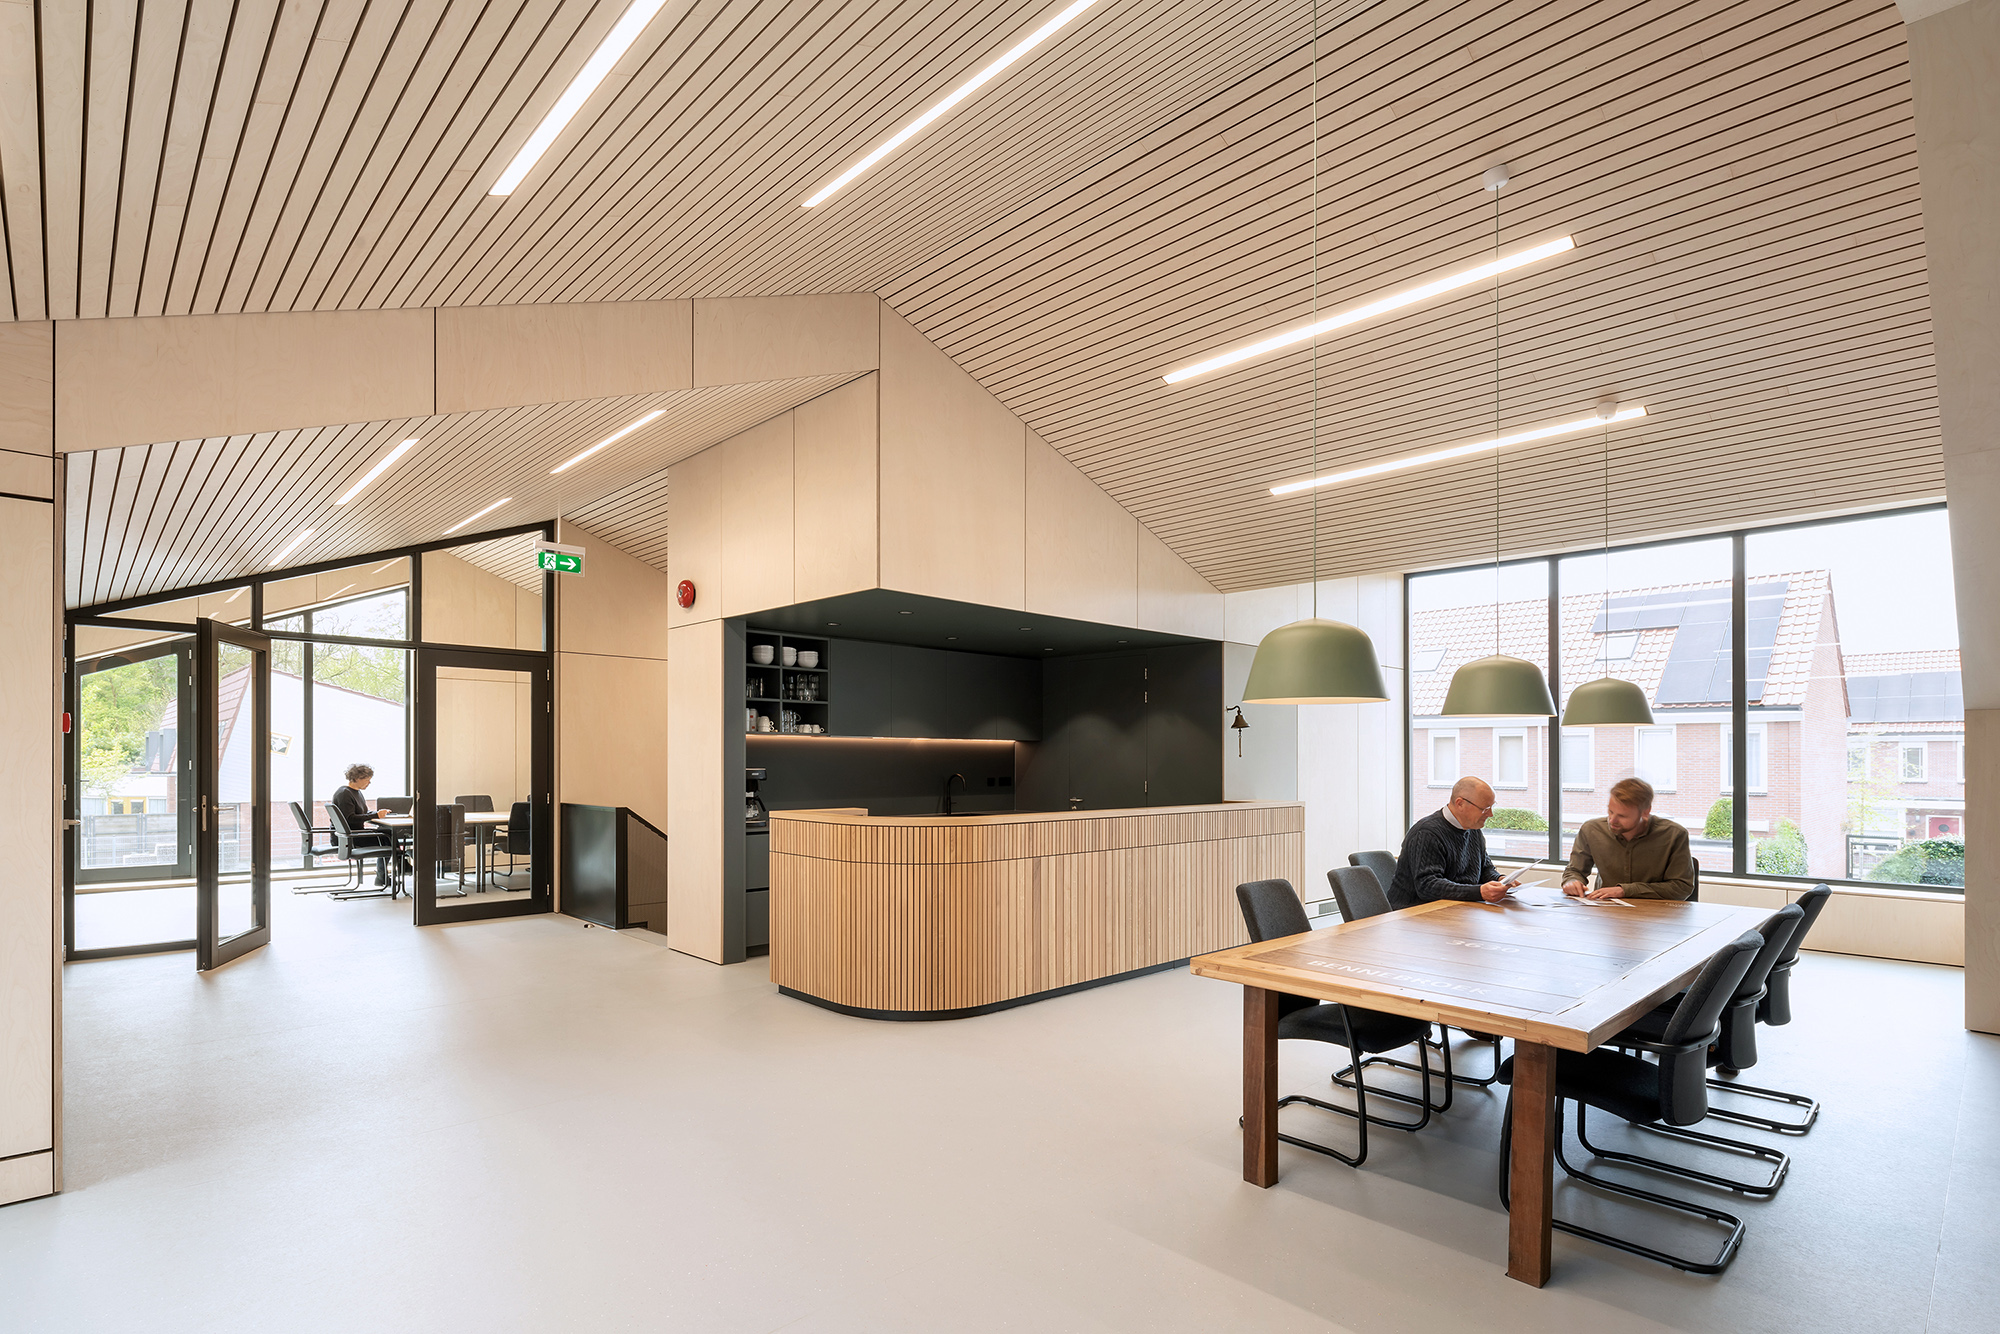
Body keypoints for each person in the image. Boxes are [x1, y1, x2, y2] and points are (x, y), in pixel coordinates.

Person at [1387, 776, 1513, 910]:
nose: (1490, 814)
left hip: (1455, 907)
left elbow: (1485, 869)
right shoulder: (1426, 833)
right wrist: (1479, 892)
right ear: (1460, 803)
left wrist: (1500, 880)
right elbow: (1427, 886)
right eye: (1485, 808)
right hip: (1414, 911)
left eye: (1492, 806)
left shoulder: (1473, 829)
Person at [1562, 777, 1695, 900]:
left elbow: (1681, 887)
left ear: (1645, 812)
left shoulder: (1674, 834)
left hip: (1655, 912)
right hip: (1606, 911)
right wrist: (1572, 881)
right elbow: (1574, 871)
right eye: (1610, 811)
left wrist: (1624, 891)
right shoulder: (1591, 830)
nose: (1612, 820)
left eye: (1622, 816)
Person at [329, 763, 398, 887]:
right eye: (367, 780)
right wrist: (375, 815)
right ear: (357, 778)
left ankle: (386, 874)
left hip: (353, 834)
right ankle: (392, 871)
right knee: (388, 837)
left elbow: (361, 813)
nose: (369, 783)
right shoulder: (344, 794)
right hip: (348, 838)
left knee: (388, 834)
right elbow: (350, 819)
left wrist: (377, 813)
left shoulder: (356, 792)